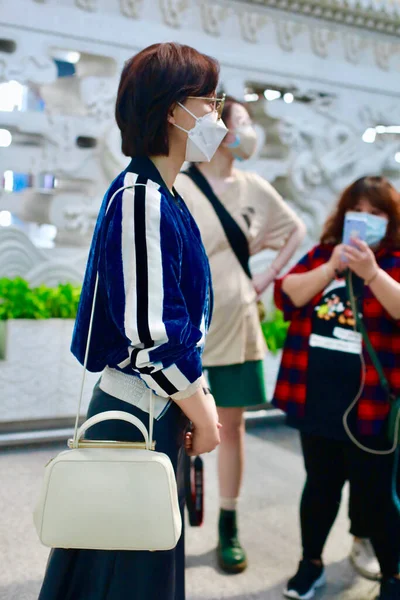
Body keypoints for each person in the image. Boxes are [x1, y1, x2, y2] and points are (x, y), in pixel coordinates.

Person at [38, 42, 227, 600]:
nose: (216, 115)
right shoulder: (141, 196)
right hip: (136, 416)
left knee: (126, 564)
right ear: (175, 111)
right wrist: (206, 412)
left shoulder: (161, 192)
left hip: (151, 411)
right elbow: (153, 338)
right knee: (128, 572)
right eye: (209, 101)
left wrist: (196, 402)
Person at [175, 96, 305, 574]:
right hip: (186, 329)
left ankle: (228, 523)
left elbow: (296, 229)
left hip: (239, 324)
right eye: (243, 122)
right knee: (176, 426)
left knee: (232, 429)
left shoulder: (254, 187)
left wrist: (264, 277)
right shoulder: (182, 186)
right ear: (220, 129)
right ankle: (167, 518)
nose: (248, 131)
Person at [273, 175, 400, 600]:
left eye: (375, 213)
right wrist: (333, 267)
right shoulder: (325, 254)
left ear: (391, 220)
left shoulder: (395, 260)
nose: (364, 220)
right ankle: (310, 565)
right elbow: (286, 294)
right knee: (320, 485)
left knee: (379, 495)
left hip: (373, 406)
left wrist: (372, 273)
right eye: (357, 211)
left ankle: (392, 575)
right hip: (317, 398)